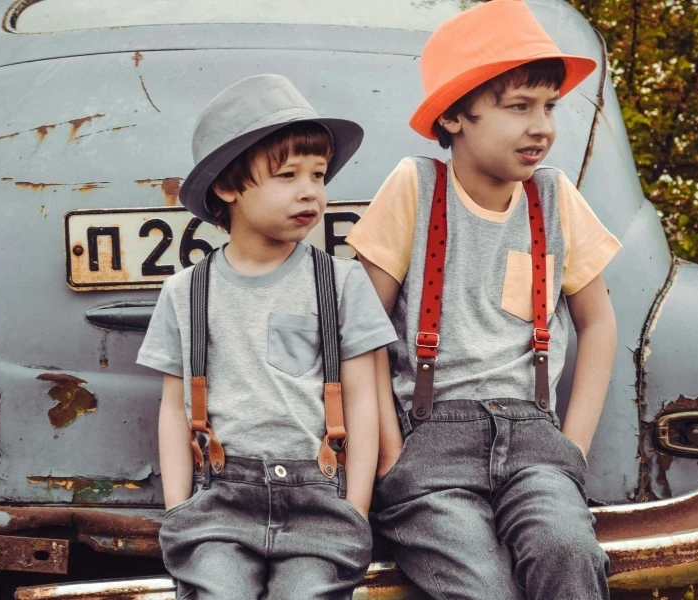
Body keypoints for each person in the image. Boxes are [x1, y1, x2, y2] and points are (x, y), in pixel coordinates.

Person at [346, 1, 622, 598]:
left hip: (535, 443)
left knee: (569, 552)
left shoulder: (555, 197)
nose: (541, 126)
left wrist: (572, 445)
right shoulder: (415, 189)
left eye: (549, 107)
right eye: (518, 107)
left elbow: (598, 323)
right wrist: (391, 457)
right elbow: (359, 331)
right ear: (453, 118)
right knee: (480, 583)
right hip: (431, 448)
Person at [137, 74, 397, 599]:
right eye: (287, 175)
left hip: (319, 500)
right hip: (220, 503)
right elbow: (173, 407)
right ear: (229, 187)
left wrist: (356, 508)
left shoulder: (341, 283)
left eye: (318, 175)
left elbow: (365, 399)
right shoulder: (185, 292)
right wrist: (178, 508)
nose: (310, 191)